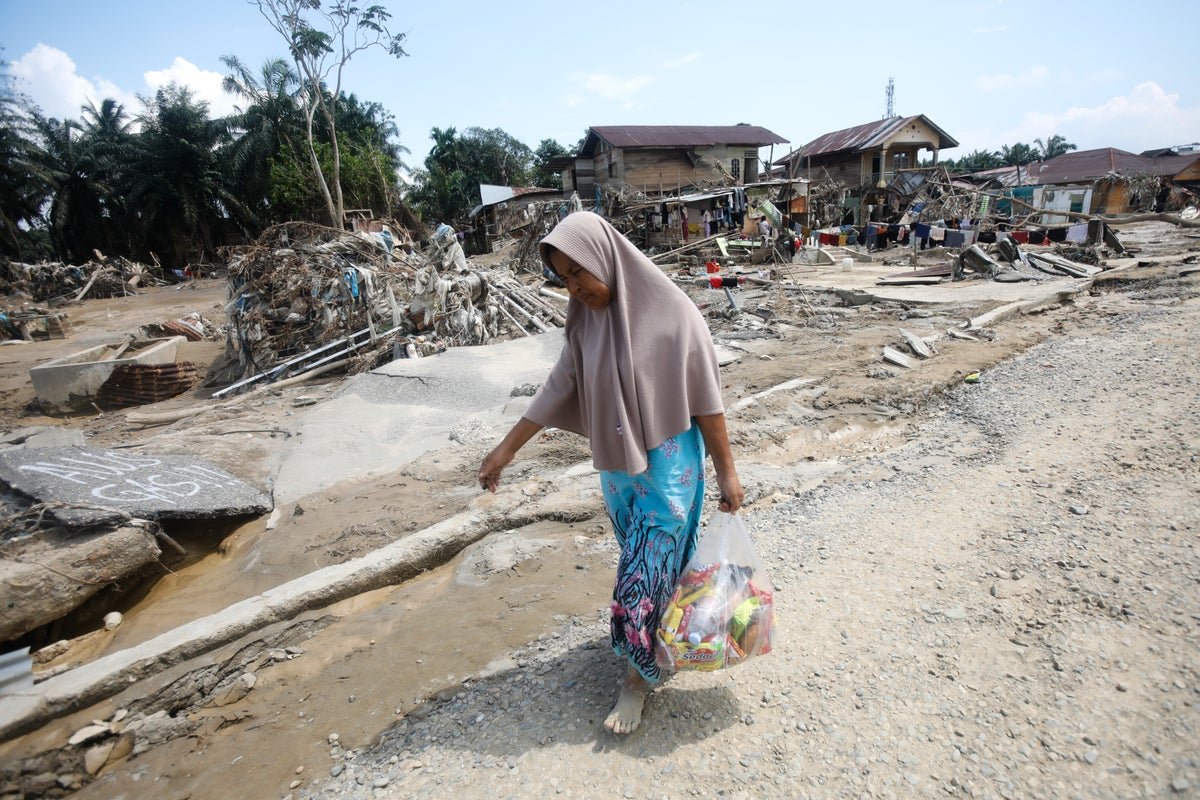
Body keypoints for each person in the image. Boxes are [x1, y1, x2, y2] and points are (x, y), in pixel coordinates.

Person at [478, 211, 744, 735]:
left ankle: (636, 682)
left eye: (579, 272)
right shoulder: (585, 323)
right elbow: (556, 390)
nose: (574, 288)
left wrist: (727, 474)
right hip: (619, 476)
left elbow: (708, 403)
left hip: (670, 471)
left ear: (604, 258)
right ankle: (669, 642)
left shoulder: (674, 313)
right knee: (652, 568)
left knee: (641, 575)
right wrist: (505, 451)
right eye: (564, 278)